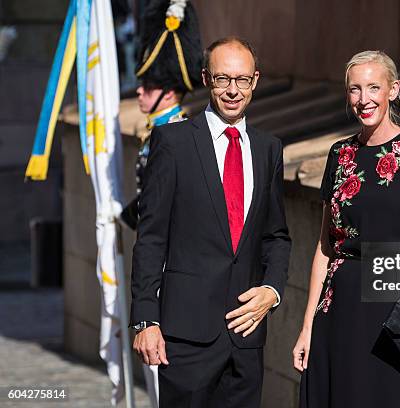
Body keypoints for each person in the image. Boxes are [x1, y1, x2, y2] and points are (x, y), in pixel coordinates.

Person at [130, 36, 291, 408]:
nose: (233, 90)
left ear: (255, 82)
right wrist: (144, 320)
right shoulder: (173, 142)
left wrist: (273, 289)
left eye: (241, 80)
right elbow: (151, 237)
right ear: (206, 79)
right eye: (223, 79)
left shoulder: (269, 149)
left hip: (246, 335)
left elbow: (276, 236)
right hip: (185, 338)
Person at [293, 50, 400, 407]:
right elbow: (325, 248)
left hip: (395, 308)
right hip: (338, 312)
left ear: (392, 90)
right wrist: (307, 326)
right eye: (355, 90)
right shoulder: (339, 155)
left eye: (373, 88)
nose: (363, 100)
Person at [120, 0, 202, 231]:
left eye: (148, 86)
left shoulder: (179, 134)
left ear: (168, 93)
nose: (139, 90)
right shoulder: (160, 131)